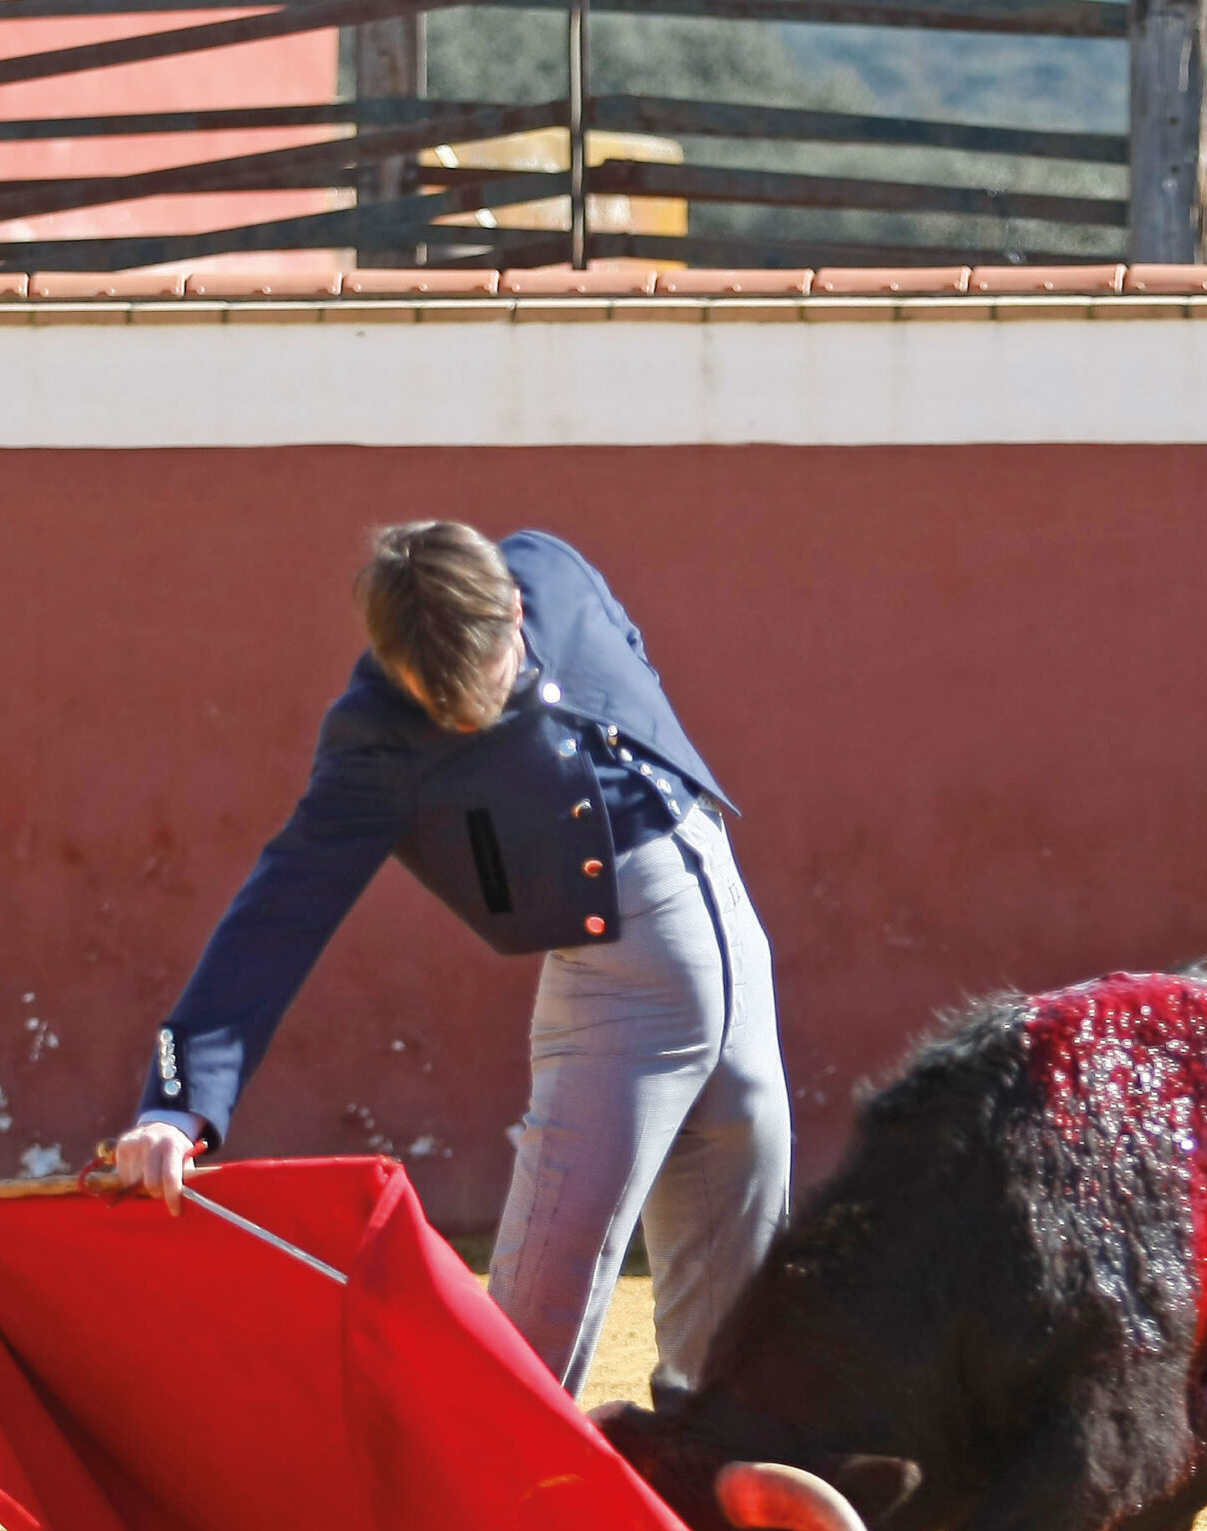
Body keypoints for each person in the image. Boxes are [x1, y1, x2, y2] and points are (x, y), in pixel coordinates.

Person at [109, 521, 790, 1405]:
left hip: (732, 933)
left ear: (513, 605)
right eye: (434, 694)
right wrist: (179, 1101)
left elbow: (627, 660)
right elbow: (279, 911)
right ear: (393, 664)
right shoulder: (378, 739)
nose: (464, 710)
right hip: (623, 977)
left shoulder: (551, 566)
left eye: (483, 678)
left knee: (741, 1344)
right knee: (531, 1329)